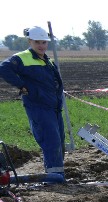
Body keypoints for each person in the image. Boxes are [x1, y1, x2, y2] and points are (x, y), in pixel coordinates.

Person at [0, 26, 65, 183]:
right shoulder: (22, 58)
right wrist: (22, 85)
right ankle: (53, 181)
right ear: (30, 41)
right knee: (51, 141)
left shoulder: (47, 60)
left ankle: (57, 176)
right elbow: (3, 68)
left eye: (44, 42)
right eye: (37, 42)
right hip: (39, 107)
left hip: (54, 108)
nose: (41, 45)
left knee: (59, 141)